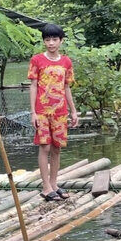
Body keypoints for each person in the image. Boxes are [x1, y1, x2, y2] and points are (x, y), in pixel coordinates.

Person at [28, 24, 79, 201]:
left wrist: (73, 111)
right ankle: (45, 186)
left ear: (61, 41)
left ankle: (54, 183)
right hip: (42, 111)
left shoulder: (66, 62)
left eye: (54, 39)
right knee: (45, 147)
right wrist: (33, 112)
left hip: (60, 111)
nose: (51, 43)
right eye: (47, 40)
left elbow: (66, 87)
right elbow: (33, 86)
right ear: (44, 41)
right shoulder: (37, 60)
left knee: (57, 148)